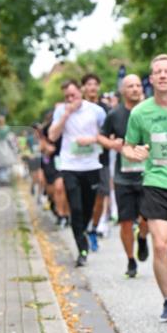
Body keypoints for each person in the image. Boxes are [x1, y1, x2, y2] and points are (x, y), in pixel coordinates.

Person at [122, 55, 167, 322]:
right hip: (156, 184)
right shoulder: (140, 112)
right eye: (157, 72)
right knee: (161, 244)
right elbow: (127, 146)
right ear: (151, 79)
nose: (162, 75)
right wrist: (134, 152)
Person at [48, 80, 108, 267]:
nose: (70, 99)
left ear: (80, 92)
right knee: (76, 208)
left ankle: (85, 230)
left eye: (73, 95)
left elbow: (106, 135)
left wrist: (92, 139)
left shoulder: (96, 111)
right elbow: (52, 135)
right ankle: (82, 248)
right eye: (67, 97)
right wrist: (66, 114)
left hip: (91, 165)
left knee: (89, 207)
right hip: (70, 166)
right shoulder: (61, 111)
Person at [98, 74, 150, 278]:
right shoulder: (115, 114)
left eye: (138, 85)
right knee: (126, 221)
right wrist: (113, 144)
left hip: (148, 175)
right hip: (123, 176)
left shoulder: (149, 110)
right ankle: (130, 260)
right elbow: (100, 136)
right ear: (122, 90)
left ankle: (143, 238)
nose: (136, 89)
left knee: (147, 219)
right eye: (131, 86)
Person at [82, 73, 111, 249]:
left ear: (98, 87)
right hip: (81, 158)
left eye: (95, 84)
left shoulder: (105, 109)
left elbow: (112, 132)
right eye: (88, 84)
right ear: (83, 87)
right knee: (85, 198)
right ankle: (84, 227)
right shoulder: (78, 107)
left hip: (101, 158)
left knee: (101, 195)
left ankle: (93, 228)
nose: (92, 87)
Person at [0, 115, 17, 184]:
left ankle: (0, 178)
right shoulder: (7, 128)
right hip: (5, 146)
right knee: (5, 164)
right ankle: (3, 178)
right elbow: (10, 138)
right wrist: (14, 148)